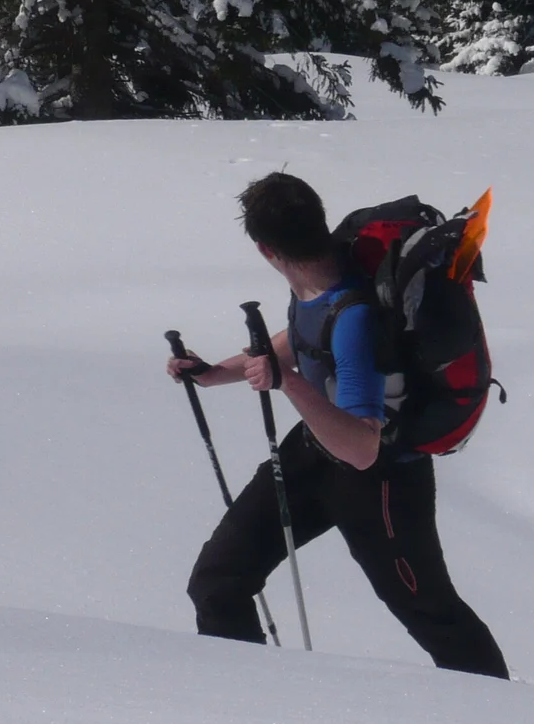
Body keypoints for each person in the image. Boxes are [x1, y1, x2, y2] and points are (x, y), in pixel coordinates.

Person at [167, 172, 509, 679]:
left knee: (432, 614)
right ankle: (243, 702)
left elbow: (362, 448)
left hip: (383, 480)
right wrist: (216, 373)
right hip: (312, 455)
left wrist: (288, 383)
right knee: (218, 580)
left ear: (264, 249)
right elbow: (304, 332)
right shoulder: (321, 283)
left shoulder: (356, 319)